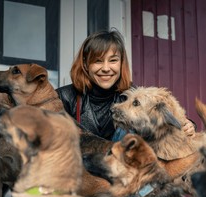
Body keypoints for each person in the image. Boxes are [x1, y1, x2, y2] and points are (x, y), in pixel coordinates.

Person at [56, 29, 195, 141]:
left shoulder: (131, 95)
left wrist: (189, 125)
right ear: (86, 64)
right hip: (78, 172)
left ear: (121, 63)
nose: (106, 68)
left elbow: (162, 119)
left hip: (120, 171)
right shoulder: (64, 97)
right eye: (98, 61)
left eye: (113, 60)